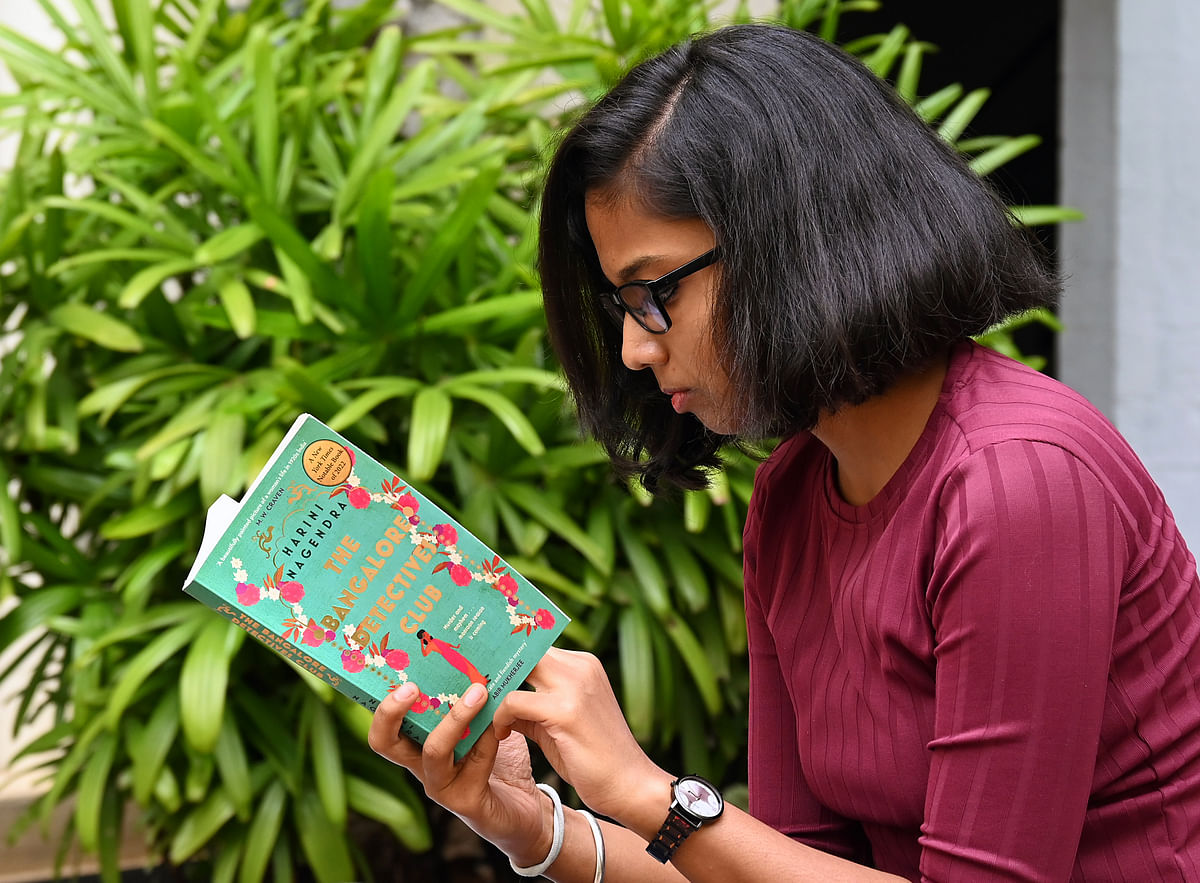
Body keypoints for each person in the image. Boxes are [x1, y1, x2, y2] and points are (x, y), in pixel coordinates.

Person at [369, 23, 1200, 881]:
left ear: (787, 239)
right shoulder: (795, 492)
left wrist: (648, 790)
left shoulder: (1019, 482)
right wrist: (531, 824)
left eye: (651, 294)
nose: (633, 349)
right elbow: (793, 867)